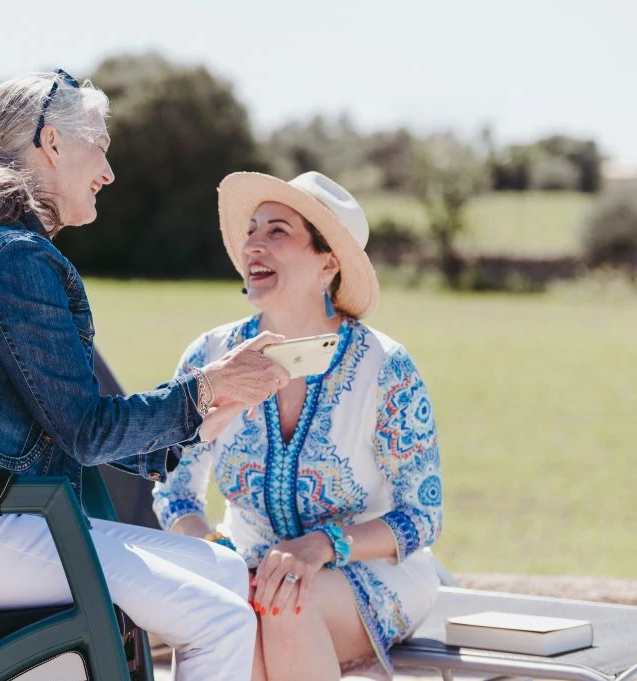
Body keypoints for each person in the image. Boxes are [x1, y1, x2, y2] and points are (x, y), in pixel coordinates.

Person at [0, 70, 291, 681]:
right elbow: (87, 431)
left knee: (224, 572)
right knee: (223, 619)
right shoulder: (12, 257)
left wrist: (199, 416)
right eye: (99, 142)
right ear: (51, 143)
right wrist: (203, 389)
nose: (109, 170)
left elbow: (68, 423)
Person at [153, 170, 443, 680]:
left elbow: (422, 516)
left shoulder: (386, 366)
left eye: (277, 231)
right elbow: (174, 488)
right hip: (243, 569)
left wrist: (321, 546)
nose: (253, 245)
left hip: (368, 572)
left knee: (287, 602)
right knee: (235, 603)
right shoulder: (211, 355)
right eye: (251, 230)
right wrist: (216, 552)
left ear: (327, 262)